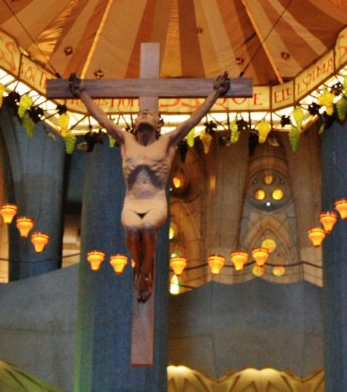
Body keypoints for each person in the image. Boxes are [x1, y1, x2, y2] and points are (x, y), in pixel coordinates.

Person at [69, 72, 231, 302]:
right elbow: (103, 119)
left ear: (158, 123)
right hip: (132, 202)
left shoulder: (167, 142)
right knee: (133, 229)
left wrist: (215, 93)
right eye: (140, 114)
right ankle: (140, 270)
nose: (144, 114)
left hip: (155, 202)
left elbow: (193, 120)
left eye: (149, 113)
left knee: (146, 227)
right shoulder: (126, 140)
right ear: (134, 124)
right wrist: (83, 93)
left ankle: (144, 274)